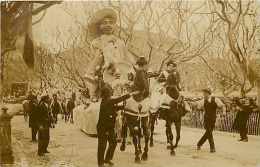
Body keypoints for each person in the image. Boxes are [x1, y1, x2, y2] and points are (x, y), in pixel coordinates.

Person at [86, 8, 136, 99]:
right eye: (104, 23)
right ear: (99, 26)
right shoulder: (96, 42)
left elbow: (128, 57)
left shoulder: (120, 42)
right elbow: (95, 60)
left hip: (121, 75)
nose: (108, 25)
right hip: (105, 75)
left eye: (111, 22)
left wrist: (135, 67)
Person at [97, 83, 138, 167]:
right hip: (103, 128)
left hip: (109, 127)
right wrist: (130, 94)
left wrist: (123, 107)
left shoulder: (107, 101)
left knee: (114, 143)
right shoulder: (107, 101)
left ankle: (107, 159)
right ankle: (100, 163)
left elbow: (114, 107)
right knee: (102, 145)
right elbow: (118, 100)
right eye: (110, 92)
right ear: (107, 94)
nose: (111, 93)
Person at [196, 88, 226, 153]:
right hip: (206, 118)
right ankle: (212, 148)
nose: (204, 95)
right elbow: (198, 107)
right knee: (209, 132)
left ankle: (199, 143)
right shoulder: (202, 101)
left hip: (213, 118)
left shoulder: (215, 99)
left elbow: (223, 105)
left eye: (205, 93)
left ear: (208, 93)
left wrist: (224, 112)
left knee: (208, 133)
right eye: (203, 93)